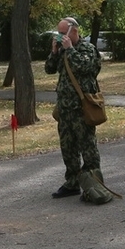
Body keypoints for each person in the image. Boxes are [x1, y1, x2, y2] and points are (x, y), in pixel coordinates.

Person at [43, 17, 105, 199]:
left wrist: (69, 49)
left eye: (63, 33)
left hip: (82, 107)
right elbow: (49, 69)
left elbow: (85, 68)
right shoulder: (62, 50)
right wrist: (54, 52)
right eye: (59, 33)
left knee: (88, 147)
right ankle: (72, 182)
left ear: (74, 32)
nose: (60, 36)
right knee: (67, 147)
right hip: (65, 108)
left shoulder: (88, 49)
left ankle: (94, 184)